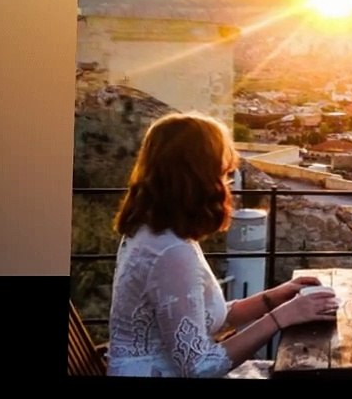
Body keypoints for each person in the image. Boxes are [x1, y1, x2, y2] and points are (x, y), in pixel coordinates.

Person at [106, 112, 338, 378]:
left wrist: (273, 298)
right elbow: (200, 367)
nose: (226, 182)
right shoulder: (170, 251)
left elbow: (203, 317)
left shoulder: (156, 231)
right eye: (222, 172)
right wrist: (282, 317)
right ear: (199, 177)